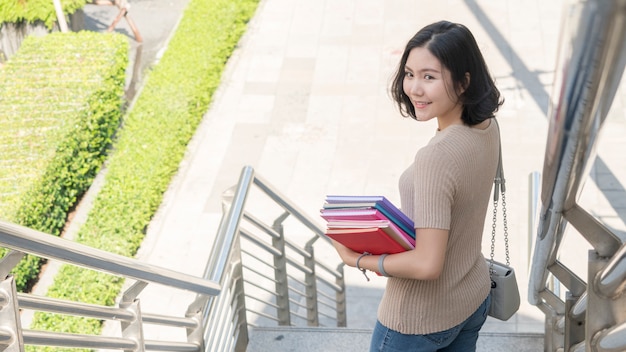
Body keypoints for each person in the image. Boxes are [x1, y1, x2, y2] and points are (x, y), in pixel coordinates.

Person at [331, 20, 504, 351]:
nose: (414, 88)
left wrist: (356, 259)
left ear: (464, 81)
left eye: (430, 77)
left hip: (417, 320)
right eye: (410, 73)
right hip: (471, 297)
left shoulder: (437, 156)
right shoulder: (486, 126)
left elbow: (427, 264)